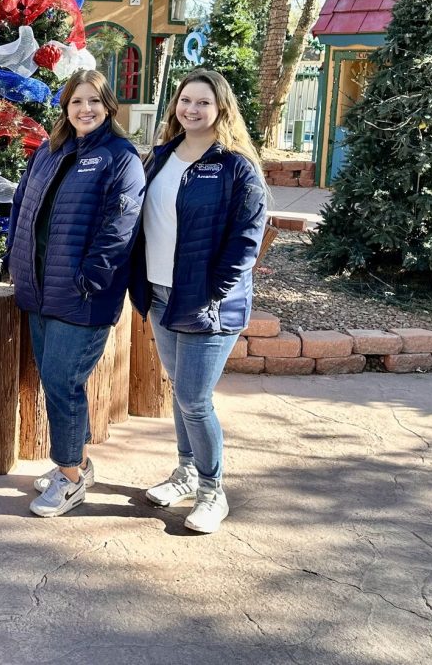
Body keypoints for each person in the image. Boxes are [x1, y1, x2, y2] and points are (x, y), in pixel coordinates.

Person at [131, 68, 267, 534]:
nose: (192, 109)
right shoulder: (161, 157)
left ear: (221, 109)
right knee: (181, 390)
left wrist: (211, 292)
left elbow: (245, 242)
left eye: (203, 102)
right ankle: (187, 471)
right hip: (161, 294)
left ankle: (213, 490)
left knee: (194, 398)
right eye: (185, 100)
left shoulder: (235, 166)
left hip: (209, 299)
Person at [8, 69, 146, 517]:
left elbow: (119, 226)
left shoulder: (119, 157)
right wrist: (15, 258)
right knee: (56, 381)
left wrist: (91, 278)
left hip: (82, 294)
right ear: (65, 108)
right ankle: (77, 465)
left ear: (108, 107)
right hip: (40, 290)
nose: (84, 110)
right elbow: (21, 209)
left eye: (93, 102)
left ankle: (70, 478)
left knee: (63, 383)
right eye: (75, 102)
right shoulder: (50, 152)